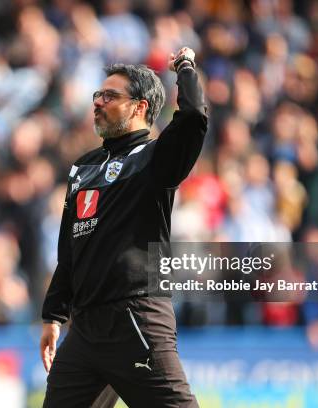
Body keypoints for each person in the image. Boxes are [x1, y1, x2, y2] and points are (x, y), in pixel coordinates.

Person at [40, 47, 207, 407]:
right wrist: (54, 315)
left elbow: (193, 116)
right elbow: (69, 250)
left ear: (139, 107)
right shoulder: (82, 168)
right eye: (97, 95)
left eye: (110, 96)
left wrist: (185, 68)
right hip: (84, 330)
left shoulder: (156, 159)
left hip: (135, 319)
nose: (98, 102)